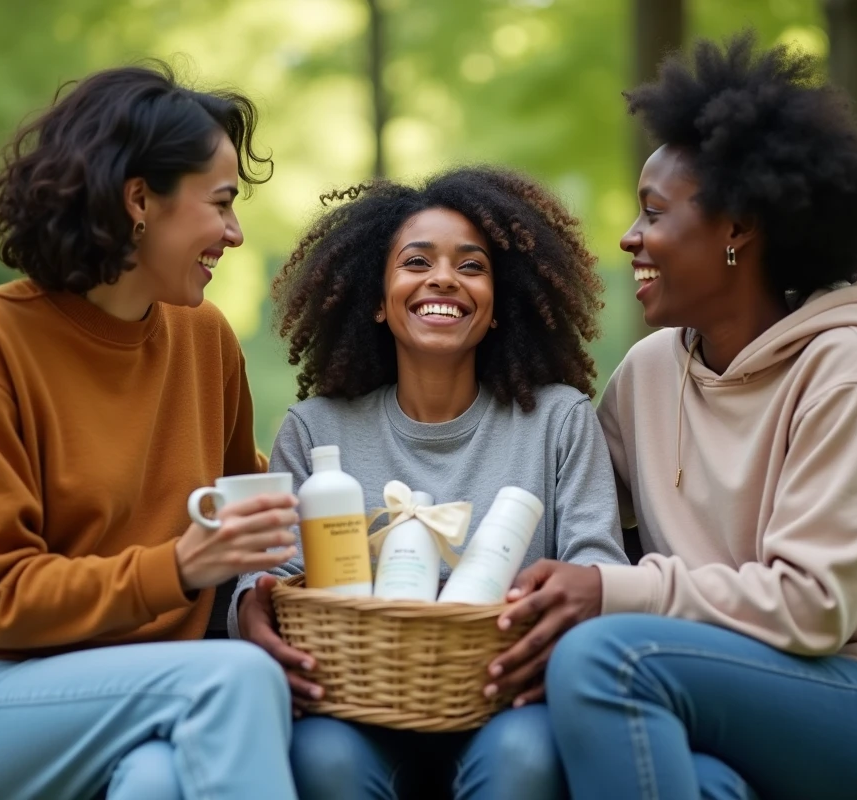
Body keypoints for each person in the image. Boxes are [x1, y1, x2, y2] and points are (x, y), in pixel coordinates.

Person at [491, 34, 857, 800]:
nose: (630, 237)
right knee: (702, 785)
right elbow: (559, 491)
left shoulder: (854, 371)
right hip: (741, 703)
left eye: (654, 212)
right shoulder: (649, 372)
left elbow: (812, 607)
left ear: (737, 227)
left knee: (606, 659)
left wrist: (615, 592)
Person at [0, 63, 300, 800]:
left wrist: (253, 589)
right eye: (222, 203)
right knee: (235, 681)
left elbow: (241, 529)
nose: (234, 234)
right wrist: (177, 568)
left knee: (158, 783)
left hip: (141, 705)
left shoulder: (205, 340)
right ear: (140, 201)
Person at [230, 166, 629, 800]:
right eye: (417, 262)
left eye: (471, 267)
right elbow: (273, 578)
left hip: (506, 703)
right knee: (322, 759)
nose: (443, 278)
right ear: (376, 298)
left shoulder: (559, 420)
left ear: (497, 306)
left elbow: (596, 567)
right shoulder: (315, 430)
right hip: (357, 705)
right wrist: (248, 604)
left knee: (525, 758)